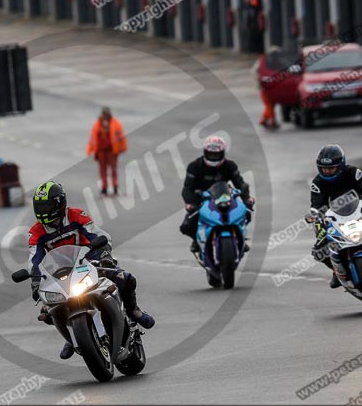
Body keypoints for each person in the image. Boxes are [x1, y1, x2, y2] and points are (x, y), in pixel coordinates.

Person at [28, 181, 154, 359]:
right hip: (60, 273)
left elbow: (99, 235)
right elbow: (35, 258)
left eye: (47, 205)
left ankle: (134, 311)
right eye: (40, 207)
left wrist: (104, 255)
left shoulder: (77, 215)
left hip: (90, 262)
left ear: (59, 203)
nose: (44, 211)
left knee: (126, 279)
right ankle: (74, 336)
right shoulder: (36, 232)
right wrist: (35, 279)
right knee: (48, 310)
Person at [179, 135, 255, 253]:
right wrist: (190, 203)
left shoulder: (230, 165)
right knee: (187, 225)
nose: (213, 157)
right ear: (205, 152)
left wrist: (247, 198)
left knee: (246, 213)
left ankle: (240, 238)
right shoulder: (195, 166)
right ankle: (196, 240)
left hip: (224, 198)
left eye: (216, 154)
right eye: (211, 154)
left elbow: (240, 183)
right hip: (202, 200)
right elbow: (187, 188)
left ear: (222, 153)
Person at [308, 144, 362, 289]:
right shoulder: (318, 183)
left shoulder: (353, 172)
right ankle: (337, 271)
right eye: (324, 168)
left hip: (359, 212)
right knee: (319, 249)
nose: (327, 171)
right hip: (336, 219)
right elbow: (316, 206)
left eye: (331, 168)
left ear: (341, 165)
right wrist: (317, 221)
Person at [86, 107, 127, 195]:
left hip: (112, 151)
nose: (105, 116)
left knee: (113, 169)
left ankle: (115, 185)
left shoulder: (116, 123)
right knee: (102, 170)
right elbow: (93, 138)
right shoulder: (97, 124)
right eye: (104, 114)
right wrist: (90, 150)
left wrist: (123, 147)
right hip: (101, 151)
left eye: (107, 114)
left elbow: (121, 136)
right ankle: (104, 187)